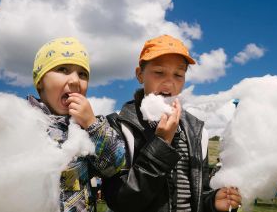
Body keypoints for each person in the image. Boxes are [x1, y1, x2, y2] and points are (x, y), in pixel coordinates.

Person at [102, 35, 242, 212]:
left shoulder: (197, 132)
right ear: (139, 75)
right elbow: (121, 201)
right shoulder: (119, 126)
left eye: (178, 75)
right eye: (159, 72)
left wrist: (212, 202)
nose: (169, 82)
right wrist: (161, 143)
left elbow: (198, 193)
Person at [29, 37, 126, 212]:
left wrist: (91, 124)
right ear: (40, 82)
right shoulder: (22, 119)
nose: (75, 80)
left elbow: (115, 165)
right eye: (63, 69)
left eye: (82, 74)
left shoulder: (87, 126)